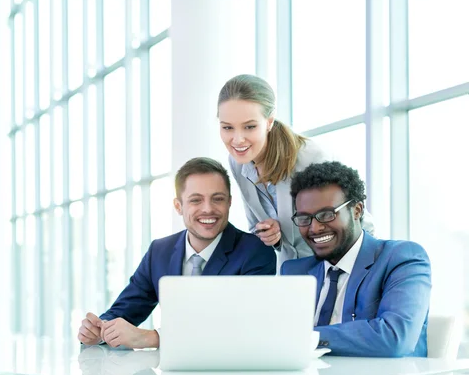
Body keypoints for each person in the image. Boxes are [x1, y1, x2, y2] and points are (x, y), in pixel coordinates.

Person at [78, 157, 276, 349]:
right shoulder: (159, 251)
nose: (208, 209)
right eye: (196, 200)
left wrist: (153, 338)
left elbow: (242, 326)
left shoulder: (255, 251)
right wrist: (99, 331)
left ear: (230, 202)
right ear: (178, 206)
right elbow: (125, 310)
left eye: (218, 199)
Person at [217, 74, 374, 267]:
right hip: (294, 272)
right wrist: (272, 236)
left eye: (249, 126)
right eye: (227, 128)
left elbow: (358, 223)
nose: (238, 139)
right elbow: (257, 228)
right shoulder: (238, 162)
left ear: (269, 122)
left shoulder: (312, 158)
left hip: (338, 268)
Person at [281, 161, 431, 357]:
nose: (315, 228)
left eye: (326, 215)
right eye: (304, 218)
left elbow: (395, 337)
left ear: (357, 210)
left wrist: (309, 337)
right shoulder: (294, 271)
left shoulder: (401, 259)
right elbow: (279, 339)